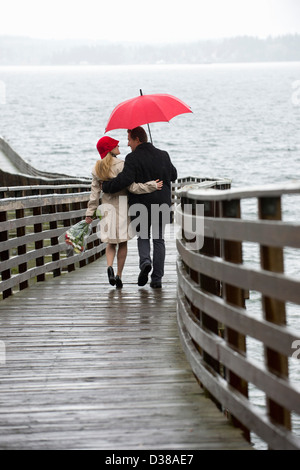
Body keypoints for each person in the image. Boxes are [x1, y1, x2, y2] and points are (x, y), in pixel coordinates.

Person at [102, 127, 177, 289]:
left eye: (129, 140)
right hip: (162, 203)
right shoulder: (163, 154)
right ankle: (156, 279)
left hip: (141, 204)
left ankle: (145, 263)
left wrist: (106, 186)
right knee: (159, 239)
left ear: (137, 139)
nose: (128, 144)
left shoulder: (133, 158)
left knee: (143, 236)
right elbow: (173, 175)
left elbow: (125, 180)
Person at [85, 136, 162, 289]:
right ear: (109, 149)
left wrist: (90, 213)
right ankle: (119, 275)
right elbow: (133, 187)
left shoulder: (97, 168)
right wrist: (151, 185)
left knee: (110, 243)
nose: (119, 145)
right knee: (123, 243)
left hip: (106, 208)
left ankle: (109, 267)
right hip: (122, 207)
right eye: (115, 144)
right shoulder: (122, 165)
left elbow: (94, 194)